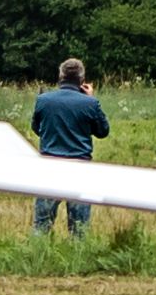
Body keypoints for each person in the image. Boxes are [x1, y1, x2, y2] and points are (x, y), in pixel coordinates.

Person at [28, 55, 107, 235]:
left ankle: (36, 251)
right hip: (80, 166)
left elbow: (36, 128)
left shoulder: (43, 100)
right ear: (81, 79)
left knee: (41, 224)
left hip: (50, 164)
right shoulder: (90, 103)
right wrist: (91, 98)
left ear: (61, 76)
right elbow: (103, 131)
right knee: (79, 227)